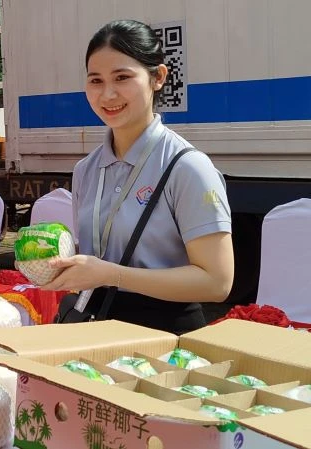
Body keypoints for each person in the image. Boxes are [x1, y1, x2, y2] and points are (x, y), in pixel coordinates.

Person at [40, 20, 234, 334]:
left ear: (157, 77)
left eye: (122, 77)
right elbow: (98, 254)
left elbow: (217, 282)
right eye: (95, 80)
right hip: (94, 327)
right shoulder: (86, 170)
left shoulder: (187, 167)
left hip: (166, 337)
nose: (108, 94)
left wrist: (110, 275)